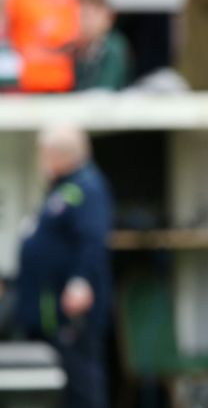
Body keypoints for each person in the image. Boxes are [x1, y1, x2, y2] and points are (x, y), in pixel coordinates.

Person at [14, 125, 113, 408]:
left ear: (59, 154)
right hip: (47, 308)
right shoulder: (63, 189)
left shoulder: (87, 187)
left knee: (82, 385)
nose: (41, 159)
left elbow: (93, 240)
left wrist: (81, 281)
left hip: (71, 312)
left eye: (44, 153)